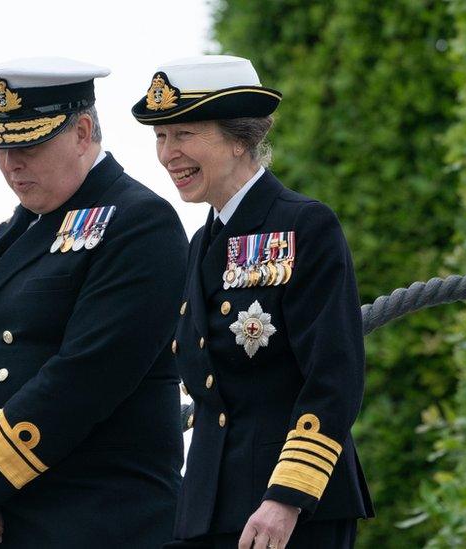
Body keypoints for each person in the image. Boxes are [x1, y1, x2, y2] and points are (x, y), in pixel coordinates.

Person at [0, 57, 188, 548]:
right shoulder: (7, 237)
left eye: (27, 144)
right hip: (6, 522)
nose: (10, 164)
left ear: (83, 132)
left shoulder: (140, 223)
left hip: (105, 523)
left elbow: (86, 375)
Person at [132, 55, 374, 549]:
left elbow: (333, 375)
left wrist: (286, 497)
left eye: (185, 134)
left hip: (290, 511)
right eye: (161, 137)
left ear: (241, 138)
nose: (168, 154)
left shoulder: (306, 226)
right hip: (207, 508)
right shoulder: (201, 243)